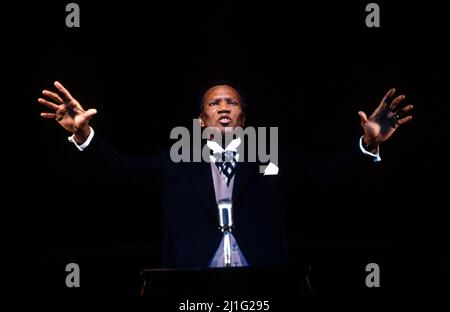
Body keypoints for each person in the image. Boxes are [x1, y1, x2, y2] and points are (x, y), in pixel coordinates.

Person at [38, 81, 413, 268]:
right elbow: (123, 171)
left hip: (263, 283)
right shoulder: (175, 160)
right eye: (214, 103)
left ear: (243, 120)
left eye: (231, 102)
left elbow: (325, 174)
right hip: (191, 286)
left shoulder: (270, 155)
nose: (223, 107)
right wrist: (83, 134)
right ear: (201, 122)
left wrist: (368, 143)